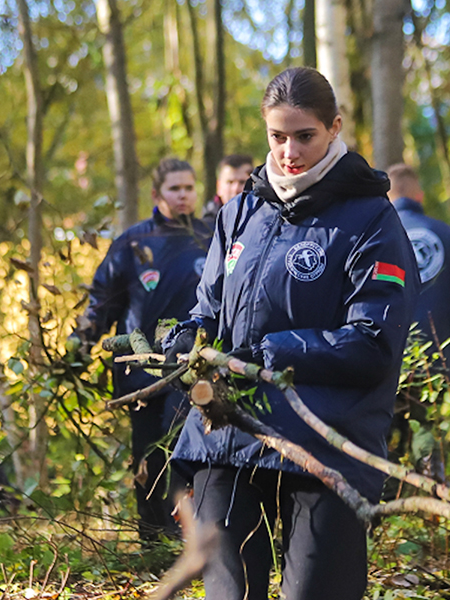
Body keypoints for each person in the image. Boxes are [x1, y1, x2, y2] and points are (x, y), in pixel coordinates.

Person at [161, 67, 418, 600]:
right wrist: (189, 338)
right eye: (277, 136)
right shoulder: (239, 213)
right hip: (225, 435)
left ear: (335, 128)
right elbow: (208, 307)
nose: (289, 152)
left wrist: (272, 352)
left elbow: (373, 342)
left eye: (305, 136)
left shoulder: (372, 220)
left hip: (325, 444)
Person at [70, 158, 212, 540]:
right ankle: (153, 537)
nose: (183, 196)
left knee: (184, 441)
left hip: (192, 365)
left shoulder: (211, 236)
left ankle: (189, 534)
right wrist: (79, 342)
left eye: (188, 188)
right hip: (139, 365)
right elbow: (103, 300)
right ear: (156, 194)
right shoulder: (132, 242)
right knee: (149, 453)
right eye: (174, 189)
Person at [387, 163, 450, 382]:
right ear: (420, 196)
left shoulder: (378, 236)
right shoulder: (446, 234)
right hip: (440, 355)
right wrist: (449, 330)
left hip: (390, 361)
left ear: (387, 198)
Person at [202, 154, 254, 223]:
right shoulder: (203, 228)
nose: (236, 189)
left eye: (242, 182)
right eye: (230, 182)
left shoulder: (266, 220)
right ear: (219, 186)